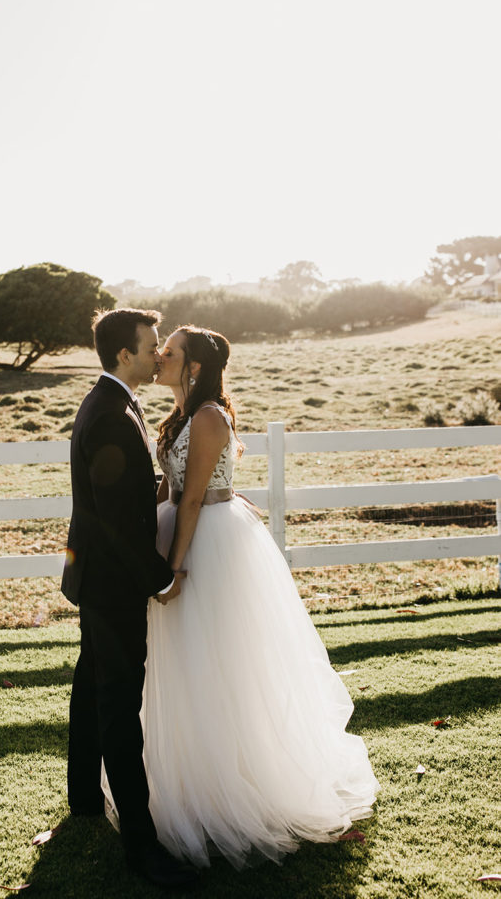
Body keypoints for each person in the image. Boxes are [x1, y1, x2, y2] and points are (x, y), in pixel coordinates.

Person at [104, 323, 379, 869]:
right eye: (160, 348)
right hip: (180, 533)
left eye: (171, 351)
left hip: (209, 547)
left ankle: (239, 787)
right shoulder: (177, 416)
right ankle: (191, 782)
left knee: (221, 666)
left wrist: (172, 570)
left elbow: (193, 502)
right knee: (181, 670)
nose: (160, 355)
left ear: (195, 367)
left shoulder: (208, 417)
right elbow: (169, 489)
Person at [61, 308, 198, 889]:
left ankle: (85, 796)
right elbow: (119, 521)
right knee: (119, 708)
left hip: (95, 576)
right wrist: (160, 577)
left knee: (92, 680)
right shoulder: (113, 415)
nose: (156, 355)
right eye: (149, 347)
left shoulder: (110, 402)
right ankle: (143, 849)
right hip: (115, 583)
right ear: (124, 355)